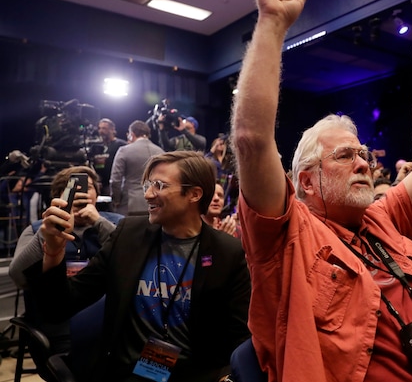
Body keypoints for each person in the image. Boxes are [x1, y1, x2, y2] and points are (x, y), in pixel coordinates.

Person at [232, 0, 412, 381]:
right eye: (343, 156)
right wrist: (272, 22)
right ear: (306, 181)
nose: (363, 163)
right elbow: (251, 140)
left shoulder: (381, 218)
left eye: (363, 154)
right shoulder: (287, 237)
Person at [24, 151, 251, 382]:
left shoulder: (228, 253)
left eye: (160, 185)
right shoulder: (128, 235)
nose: (149, 194)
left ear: (194, 194)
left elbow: (240, 336)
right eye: (148, 185)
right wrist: (53, 250)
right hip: (126, 372)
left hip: (193, 375)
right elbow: (59, 306)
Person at [9, 165, 118, 368]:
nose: (82, 191)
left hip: (110, 326)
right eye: (72, 187)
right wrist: (49, 231)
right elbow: (18, 277)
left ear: (98, 193)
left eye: (90, 186)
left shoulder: (117, 225)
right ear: (59, 195)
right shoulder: (37, 229)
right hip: (58, 328)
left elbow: (133, 261)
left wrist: (98, 222)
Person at [110, 120, 164, 216]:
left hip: (129, 204)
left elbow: (115, 180)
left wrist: (116, 200)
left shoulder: (124, 150)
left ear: (132, 134)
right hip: (156, 203)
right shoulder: (161, 152)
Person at [94, 118, 127, 196]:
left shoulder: (121, 145)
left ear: (112, 129)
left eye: (104, 128)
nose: (101, 131)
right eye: (99, 128)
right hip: (99, 184)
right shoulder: (96, 146)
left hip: (113, 185)